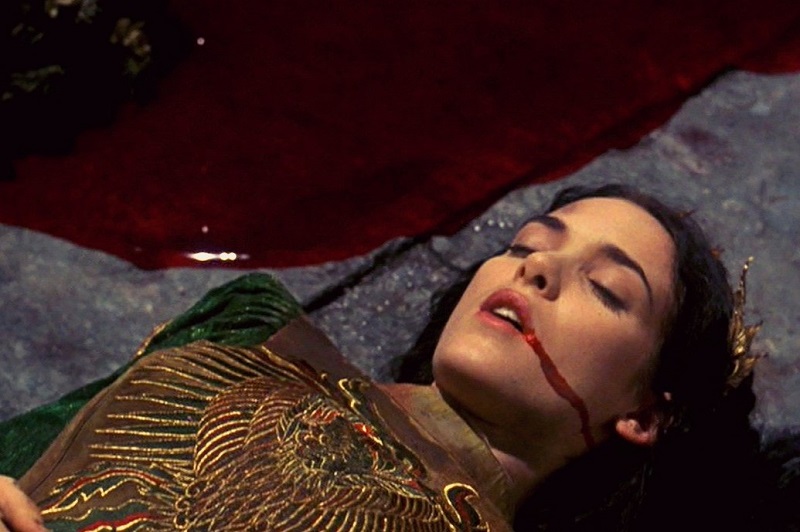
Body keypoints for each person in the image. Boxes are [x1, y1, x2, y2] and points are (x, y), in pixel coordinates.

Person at [0, 184, 762, 531]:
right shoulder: (252, 333)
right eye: (525, 243)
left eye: (605, 288)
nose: (535, 268)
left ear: (645, 414)